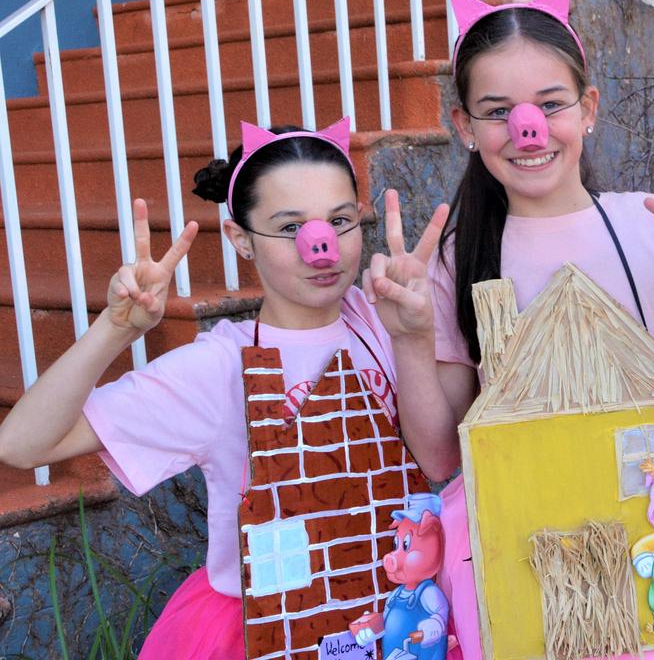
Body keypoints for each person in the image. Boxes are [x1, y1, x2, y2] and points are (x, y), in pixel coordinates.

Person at [378, 0, 654, 658]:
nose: (527, 129)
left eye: (550, 103)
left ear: (588, 109)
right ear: (464, 126)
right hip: (521, 548)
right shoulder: (455, 260)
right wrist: (412, 337)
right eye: (498, 112)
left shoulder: (653, 227)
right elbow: (442, 453)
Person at [0, 118, 448, 658]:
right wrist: (113, 329)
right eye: (288, 228)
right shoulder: (217, 368)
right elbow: (22, 445)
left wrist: (416, 336)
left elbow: (442, 460)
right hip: (277, 633)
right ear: (240, 239)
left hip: (405, 625)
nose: (321, 246)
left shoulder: (385, 316)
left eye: (340, 219)